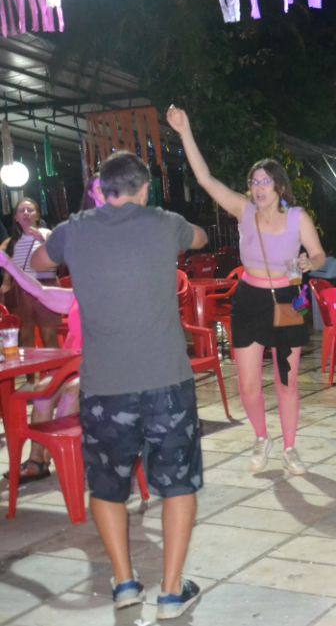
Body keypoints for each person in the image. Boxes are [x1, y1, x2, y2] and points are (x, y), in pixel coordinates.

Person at [33, 151, 209, 619]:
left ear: (102, 189)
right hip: (166, 383)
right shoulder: (164, 223)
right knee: (177, 485)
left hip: (105, 388)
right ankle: (171, 592)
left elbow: (38, 259)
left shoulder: (74, 229)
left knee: (108, 488)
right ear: (144, 189)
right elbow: (201, 236)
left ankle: (125, 584)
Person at [167, 105, 326, 476]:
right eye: (254, 182)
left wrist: (309, 262)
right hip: (249, 299)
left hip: (286, 300)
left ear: (279, 186)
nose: (258, 188)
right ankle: (261, 437)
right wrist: (185, 132)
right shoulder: (243, 211)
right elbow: (205, 178)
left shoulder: (297, 217)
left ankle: (290, 447)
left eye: (265, 182)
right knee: (249, 383)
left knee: (286, 381)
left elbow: (319, 254)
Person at [0, 179, 103, 483]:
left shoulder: (112, 299)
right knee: (42, 393)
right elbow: (39, 289)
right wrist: (9, 265)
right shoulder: (76, 297)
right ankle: (38, 461)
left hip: (102, 369)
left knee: (70, 394)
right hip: (72, 369)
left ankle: (67, 457)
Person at [1, 198, 61, 349]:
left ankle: (54, 365)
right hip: (21, 292)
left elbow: (58, 258)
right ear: (16, 217)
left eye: (30, 210)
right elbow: (8, 265)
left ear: (37, 215)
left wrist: (42, 241)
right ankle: (30, 365)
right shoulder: (11, 241)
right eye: (21, 211)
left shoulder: (47, 234)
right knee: (24, 336)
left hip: (45, 287)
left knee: (48, 335)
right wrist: (6, 283)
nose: (26, 213)